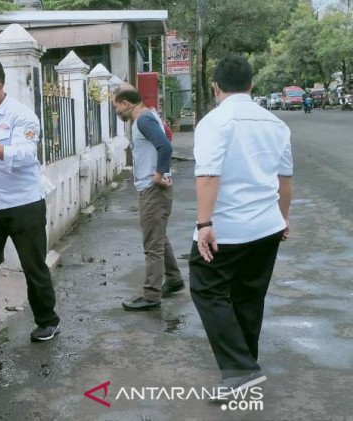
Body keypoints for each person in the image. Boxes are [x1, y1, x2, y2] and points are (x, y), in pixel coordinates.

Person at [190, 55, 292, 398]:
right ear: (251, 85)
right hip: (266, 228)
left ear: (215, 87)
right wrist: (283, 217)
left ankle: (241, 370)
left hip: (226, 229)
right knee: (249, 296)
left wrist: (204, 223)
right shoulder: (276, 124)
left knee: (207, 290)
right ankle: (243, 368)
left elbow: (207, 175)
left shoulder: (214, 122)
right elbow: (285, 179)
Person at [0, 59, 60, 344]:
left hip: (24, 204)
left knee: (32, 265)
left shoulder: (22, 116)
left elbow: (25, 156)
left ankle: (47, 321)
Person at [112, 88, 184, 311]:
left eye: (116, 106)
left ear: (125, 103)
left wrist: (159, 175)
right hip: (153, 188)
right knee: (159, 237)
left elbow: (165, 146)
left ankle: (151, 295)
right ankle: (174, 279)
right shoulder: (147, 116)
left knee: (152, 243)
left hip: (153, 189)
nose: (116, 110)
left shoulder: (143, 120)